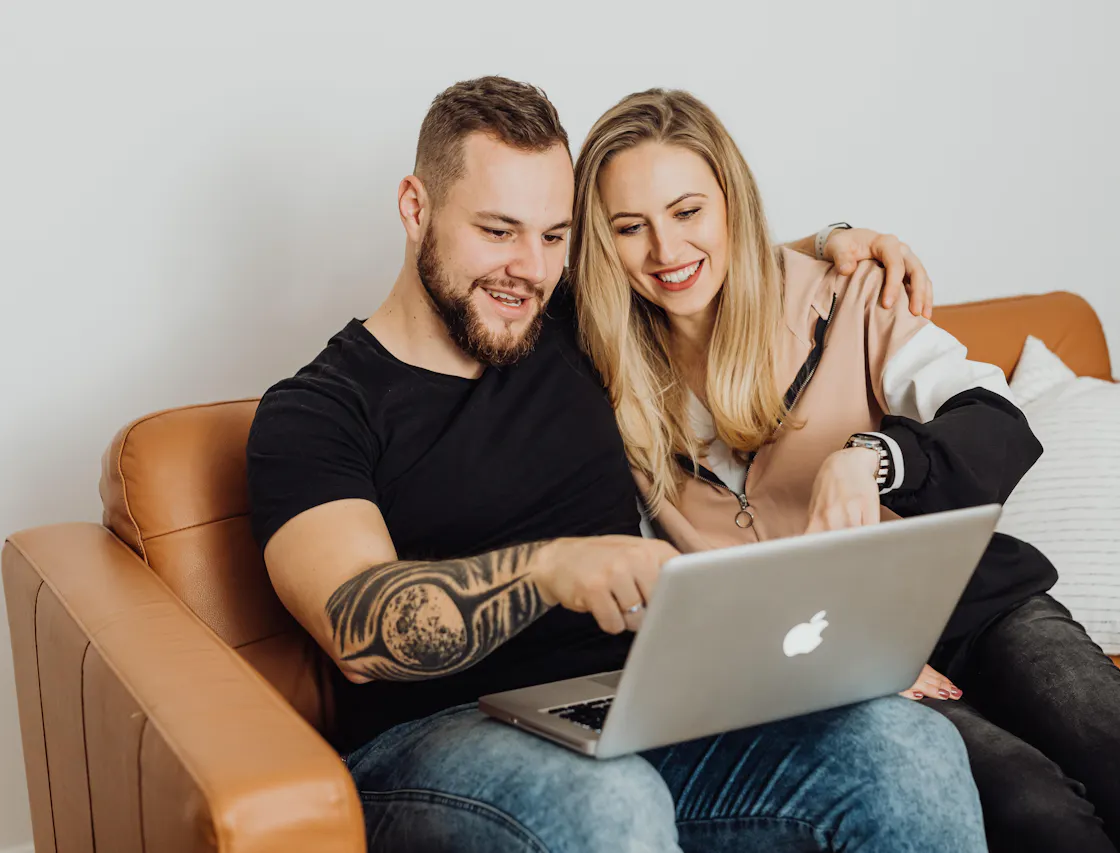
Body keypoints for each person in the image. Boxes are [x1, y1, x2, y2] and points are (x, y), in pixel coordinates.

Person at [246, 76, 986, 853]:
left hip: (636, 706)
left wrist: (836, 240)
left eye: (554, 236)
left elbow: (687, 258)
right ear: (415, 207)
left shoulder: (568, 325)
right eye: (498, 231)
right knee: (610, 800)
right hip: (438, 738)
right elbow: (357, 628)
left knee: (907, 750)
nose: (529, 268)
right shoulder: (319, 409)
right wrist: (548, 569)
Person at [568, 87, 1120, 853]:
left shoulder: (850, 294)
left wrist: (873, 457)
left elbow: (996, 423)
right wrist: (849, 656)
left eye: (687, 211)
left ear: (730, 203)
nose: (666, 249)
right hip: (826, 660)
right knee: (1040, 813)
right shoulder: (596, 374)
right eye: (630, 227)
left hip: (977, 605)